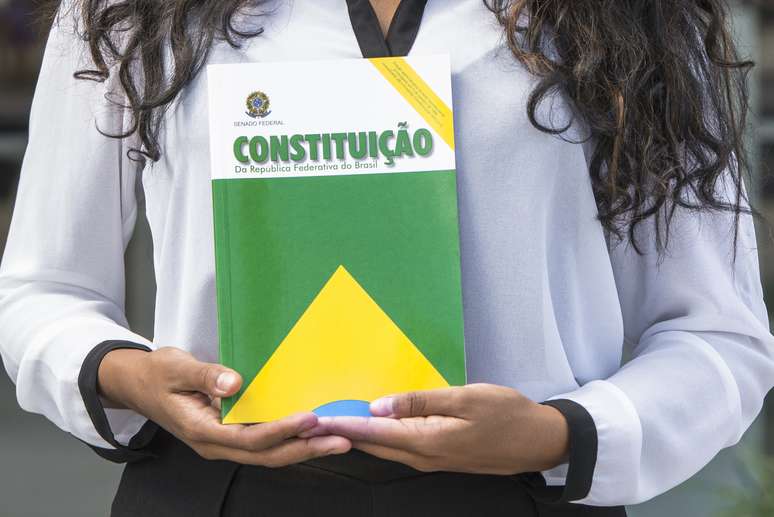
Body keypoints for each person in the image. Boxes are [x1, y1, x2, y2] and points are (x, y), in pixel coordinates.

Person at [1, 0, 773, 516]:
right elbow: (42, 288)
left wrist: (557, 433)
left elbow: (719, 336)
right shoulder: (130, 12)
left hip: (517, 493)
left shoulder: (627, 16)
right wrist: (129, 373)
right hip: (217, 488)